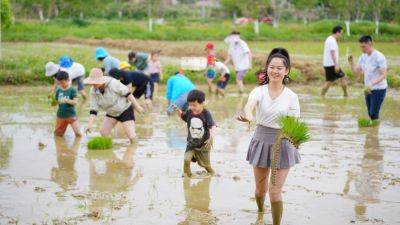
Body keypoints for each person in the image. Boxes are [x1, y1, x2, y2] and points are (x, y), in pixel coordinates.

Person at [237, 48, 300, 225]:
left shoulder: (292, 97)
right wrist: (248, 115)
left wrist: (294, 139)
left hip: (283, 142)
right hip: (261, 139)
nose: (275, 71)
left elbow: (294, 124)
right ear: (267, 68)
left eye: (280, 68)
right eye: (272, 67)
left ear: (286, 71)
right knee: (260, 190)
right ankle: (260, 211)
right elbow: (250, 105)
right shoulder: (259, 91)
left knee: (275, 191)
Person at [83, 68, 144, 143]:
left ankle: (136, 147)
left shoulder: (113, 83)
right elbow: (93, 109)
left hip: (124, 109)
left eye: (96, 82)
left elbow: (128, 93)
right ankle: (109, 149)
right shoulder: (93, 91)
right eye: (93, 82)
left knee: (131, 135)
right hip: (111, 113)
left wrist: (137, 106)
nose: (94, 84)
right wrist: (89, 124)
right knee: (103, 133)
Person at [174, 89, 216, 177]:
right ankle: (187, 175)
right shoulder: (189, 112)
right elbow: (183, 116)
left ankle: (212, 173)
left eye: (194, 105)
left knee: (206, 165)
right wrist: (178, 111)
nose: (192, 107)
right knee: (186, 159)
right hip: (191, 143)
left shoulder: (206, 113)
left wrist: (211, 137)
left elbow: (212, 126)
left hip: (203, 144)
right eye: (190, 105)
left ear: (202, 103)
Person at [348, 35, 388, 123]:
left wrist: (372, 84)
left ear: (370, 44)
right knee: (370, 113)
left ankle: (375, 130)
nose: (362, 49)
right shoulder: (363, 57)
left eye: (363, 47)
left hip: (379, 88)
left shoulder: (379, 57)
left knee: (373, 113)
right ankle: (373, 132)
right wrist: (351, 63)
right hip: (367, 88)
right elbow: (356, 73)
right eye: (360, 46)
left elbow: (384, 75)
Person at [321, 25, 348, 97]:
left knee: (332, 80)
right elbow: (332, 52)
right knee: (331, 81)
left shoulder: (329, 39)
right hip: (331, 64)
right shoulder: (332, 40)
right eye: (341, 33)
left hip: (329, 64)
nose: (341, 35)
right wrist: (336, 64)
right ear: (337, 32)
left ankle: (322, 95)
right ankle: (345, 94)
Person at [54, 71, 82, 137]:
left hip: (71, 115)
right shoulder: (58, 90)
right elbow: (55, 102)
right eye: (59, 83)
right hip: (61, 115)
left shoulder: (72, 90)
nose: (61, 85)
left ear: (68, 80)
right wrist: (54, 101)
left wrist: (66, 100)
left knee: (78, 134)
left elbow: (75, 102)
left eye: (63, 83)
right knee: (58, 135)